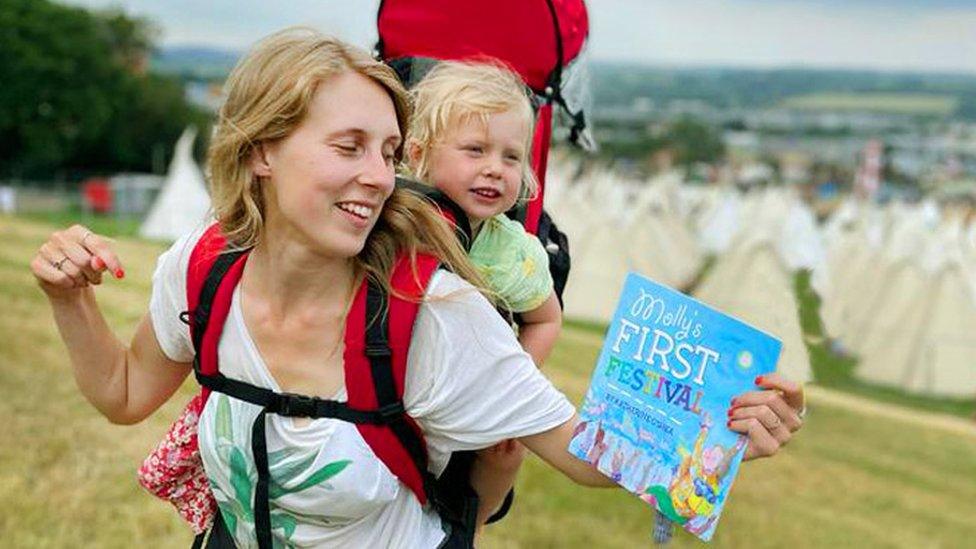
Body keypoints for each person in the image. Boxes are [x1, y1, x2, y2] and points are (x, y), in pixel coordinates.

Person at [30, 28, 805, 548]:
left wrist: (722, 428)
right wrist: (72, 298)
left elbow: (584, 454)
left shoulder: (433, 313)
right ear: (262, 149)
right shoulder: (205, 267)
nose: (377, 175)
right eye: (349, 145)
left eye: (390, 150)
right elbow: (124, 392)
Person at [403, 59, 563, 527]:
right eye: (475, 150)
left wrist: (505, 382)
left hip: (461, 405)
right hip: (391, 389)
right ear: (419, 153)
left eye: (511, 157)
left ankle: (462, 532)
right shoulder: (391, 219)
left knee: (505, 456)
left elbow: (545, 318)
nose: (495, 169)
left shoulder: (512, 252)